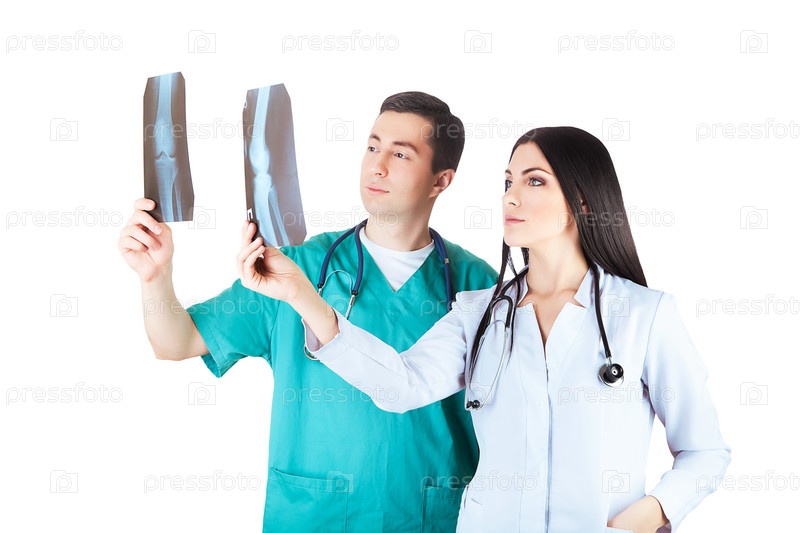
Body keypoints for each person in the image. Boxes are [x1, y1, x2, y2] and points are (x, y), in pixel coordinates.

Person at [243, 127, 731, 533]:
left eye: (534, 181)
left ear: (582, 201)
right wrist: (301, 296)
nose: (510, 196)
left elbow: (704, 451)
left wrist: (649, 514)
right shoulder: (480, 314)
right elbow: (399, 385)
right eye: (507, 181)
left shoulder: (644, 315)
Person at [118, 92, 497, 532]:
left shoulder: (478, 284)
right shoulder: (294, 267)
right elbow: (175, 342)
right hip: (315, 515)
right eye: (372, 146)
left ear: (440, 181)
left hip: (431, 516)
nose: (377, 166)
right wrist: (155, 275)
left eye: (400, 154)